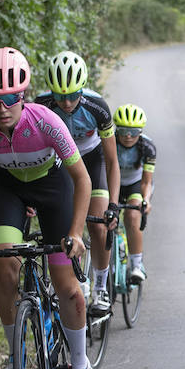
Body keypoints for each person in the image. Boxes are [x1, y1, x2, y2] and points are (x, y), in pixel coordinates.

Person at [0, 46, 99, 369]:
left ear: (22, 94)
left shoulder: (47, 122)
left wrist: (76, 232)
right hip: (7, 188)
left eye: (9, 98)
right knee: (5, 269)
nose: (1, 108)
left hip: (54, 188)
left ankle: (82, 368)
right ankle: (16, 353)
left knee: (68, 289)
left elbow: (82, 180)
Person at [36, 50, 120, 316]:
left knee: (98, 226)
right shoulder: (41, 106)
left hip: (92, 160)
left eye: (73, 95)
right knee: (63, 229)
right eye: (61, 97)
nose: (68, 102)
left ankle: (101, 288)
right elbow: (35, 155)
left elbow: (112, 161)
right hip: (60, 163)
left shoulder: (97, 107)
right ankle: (74, 281)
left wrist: (114, 204)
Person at [112, 103, 156, 284]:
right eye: (123, 131)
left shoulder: (148, 147)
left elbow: (146, 181)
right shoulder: (108, 142)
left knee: (132, 215)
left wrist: (145, 200)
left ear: (141, 131)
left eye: (134, 131)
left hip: (135, 184)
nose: (128, 136)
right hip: (111, 183)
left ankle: (137, 264)